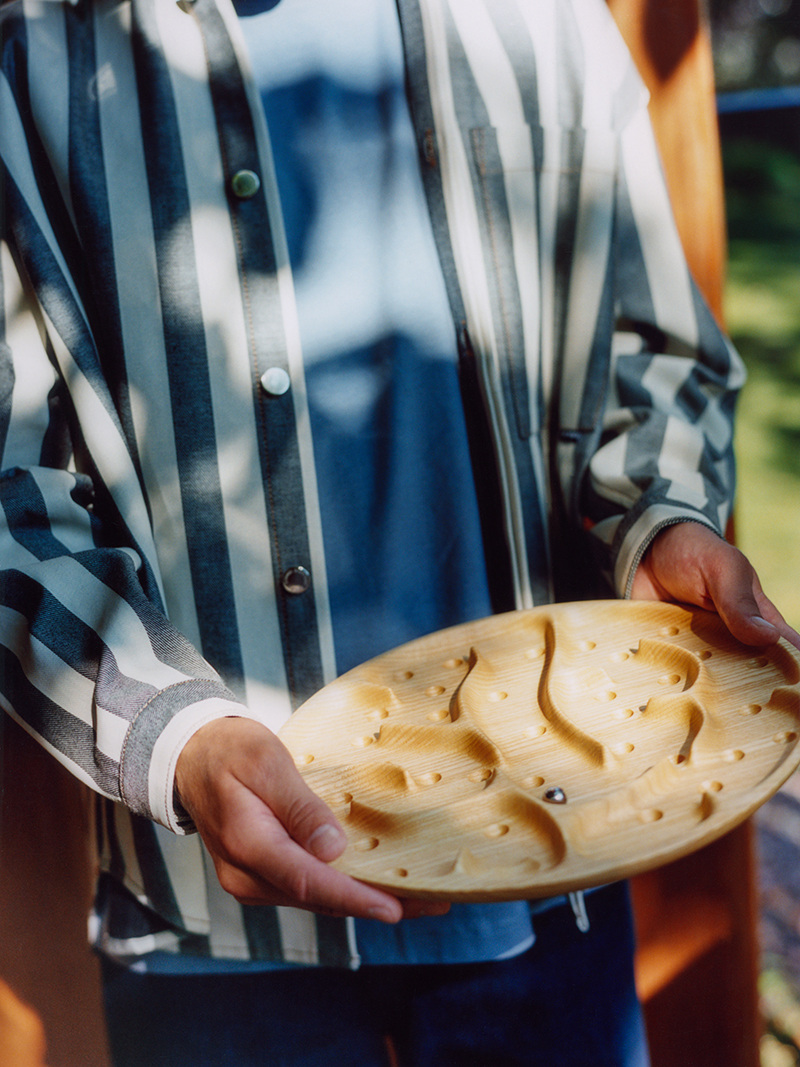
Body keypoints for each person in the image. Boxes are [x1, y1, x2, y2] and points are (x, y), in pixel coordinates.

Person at [0, 0, 795, 1063]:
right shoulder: (32, 52)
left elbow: (644, 348)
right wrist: (173, 736)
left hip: (545, 889)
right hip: (207, 933)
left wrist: (653, 517)